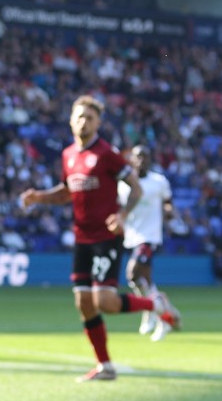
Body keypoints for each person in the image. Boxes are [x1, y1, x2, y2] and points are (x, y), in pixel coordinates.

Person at [19, 95, 181, 382]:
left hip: (107, 236)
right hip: (82, 238)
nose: (84, 122)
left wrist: (122, 216)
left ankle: (156, 304)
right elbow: (67, 191)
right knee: (83, 303)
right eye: (79, 116)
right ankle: (105, 366)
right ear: (71, 120)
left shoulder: (107, 153)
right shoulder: (69, 155)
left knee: (104, 301)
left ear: (98, 123)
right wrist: (38, 197)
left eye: (90, 118)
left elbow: (135, 189)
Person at [118, 144, 177, 342]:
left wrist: (168, 211)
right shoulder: (123, 184)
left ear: (150, 160)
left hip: (150, 236)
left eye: (145, 156)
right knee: (143, 281)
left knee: (132, 273)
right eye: (138, 156)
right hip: (131, 236)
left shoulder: (158, 182)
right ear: (132, 160)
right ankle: (163, 314)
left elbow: (168, 201)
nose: (141, 160)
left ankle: (153, 312)